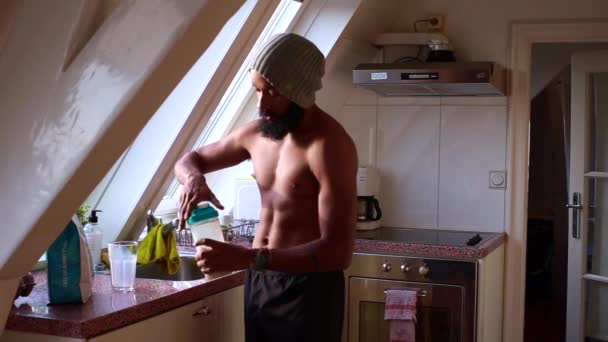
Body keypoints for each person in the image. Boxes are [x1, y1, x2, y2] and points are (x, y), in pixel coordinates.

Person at [174, 33, 357, 342]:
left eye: (272, 92)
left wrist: (249, 258)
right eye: (257, 90)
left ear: (298, 91)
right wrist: (193, 179)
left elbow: (337, 253)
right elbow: (190, 159)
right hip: (260, 283)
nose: (262, 104)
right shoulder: (258, 134)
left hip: (308, 291)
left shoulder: (329, 146)